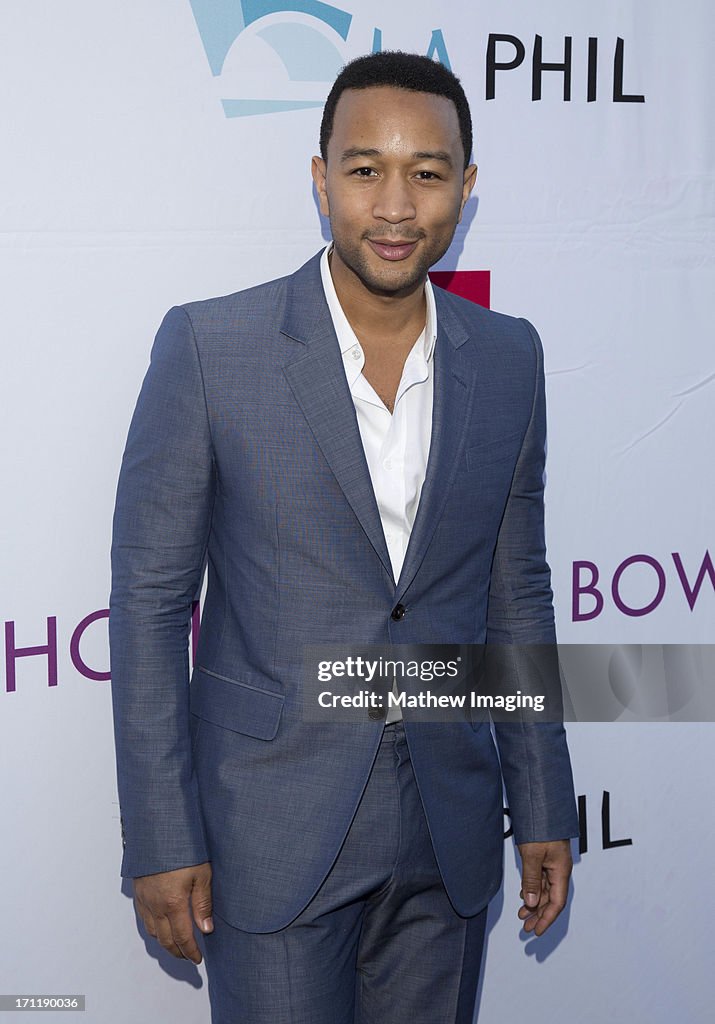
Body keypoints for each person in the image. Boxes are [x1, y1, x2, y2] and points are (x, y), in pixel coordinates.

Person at [110, 50, 579, 1024]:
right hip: (273, 826)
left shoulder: (508, 356)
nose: (397, 205)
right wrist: (161, 832)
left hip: (447, 829)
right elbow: (153, 606)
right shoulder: (211, 348)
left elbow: (515, 589)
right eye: (365, 169)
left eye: (428, 171)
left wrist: (541, 801)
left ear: (467, 186)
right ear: (319, 180)